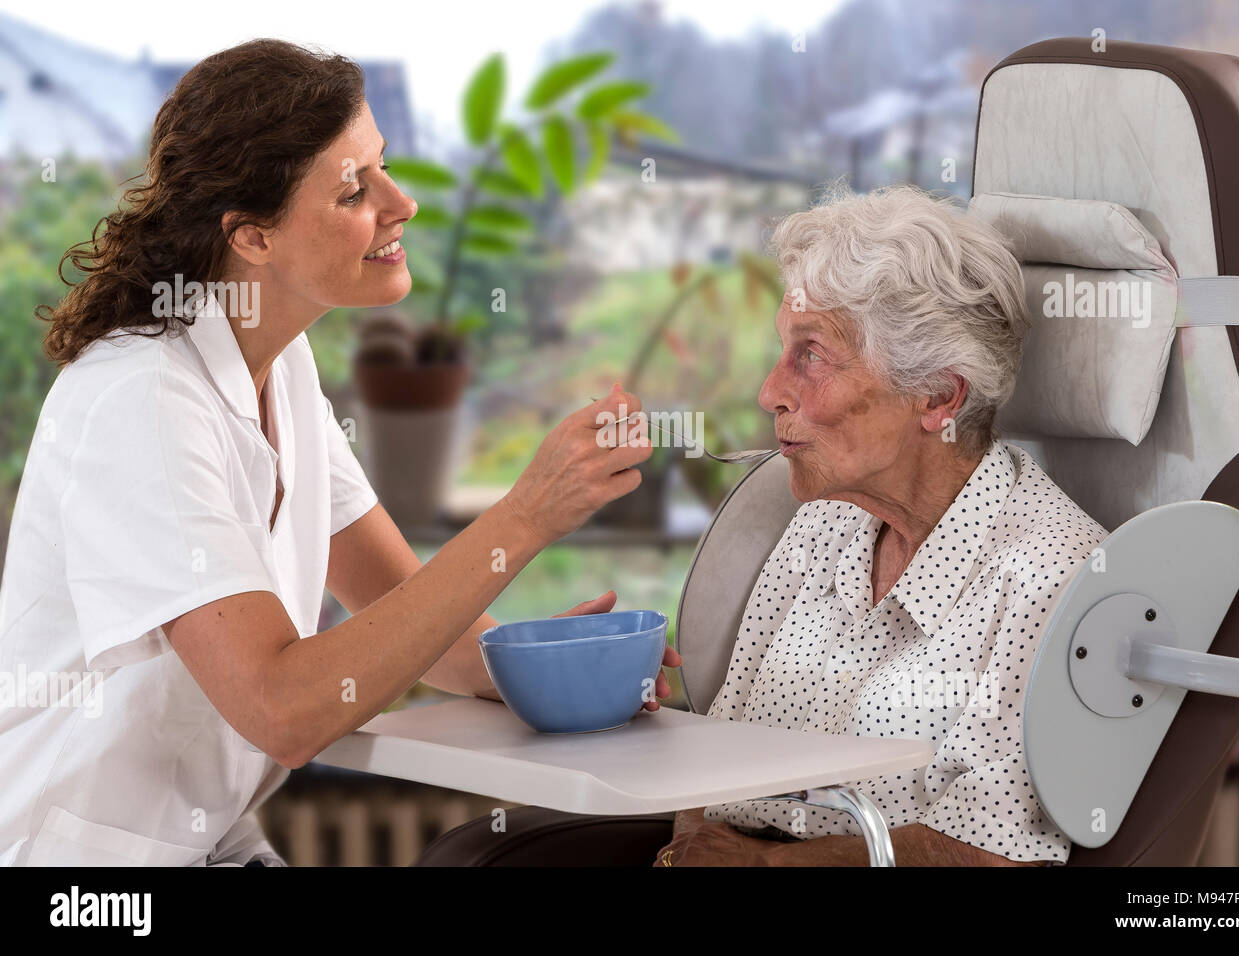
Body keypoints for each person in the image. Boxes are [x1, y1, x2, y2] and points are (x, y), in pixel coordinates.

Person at [0, 38, 678, 867]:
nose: (402, 205)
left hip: (208, 845)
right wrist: (528, 513)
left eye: (383, 167)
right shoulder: (141, 401)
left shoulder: (279, 366)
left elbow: (416, 619)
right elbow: (284, 711)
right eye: (355, 189)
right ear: (251, 235)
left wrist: (558, 668)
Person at [653, 183, 1106, 867]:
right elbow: (717, 752)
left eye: (810, 355)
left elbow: (988, 853)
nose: (770, 391)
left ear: (938, 395)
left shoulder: (1047, 572)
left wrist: (760, 868)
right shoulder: (821, 518)